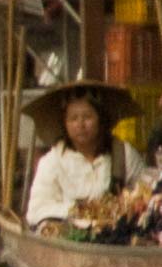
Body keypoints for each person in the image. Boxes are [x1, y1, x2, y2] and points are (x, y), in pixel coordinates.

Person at [24, 81, 143, 234]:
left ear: (101, 119)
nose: (80, 125)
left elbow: (146, 191)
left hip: (117, 239)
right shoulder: (52, 161)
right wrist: (77, 211)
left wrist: (129, 204)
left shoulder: (122, 153)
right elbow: (35, 211)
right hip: (68, 243)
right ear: (65, 124)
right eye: (73, 119)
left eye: (87, 117)